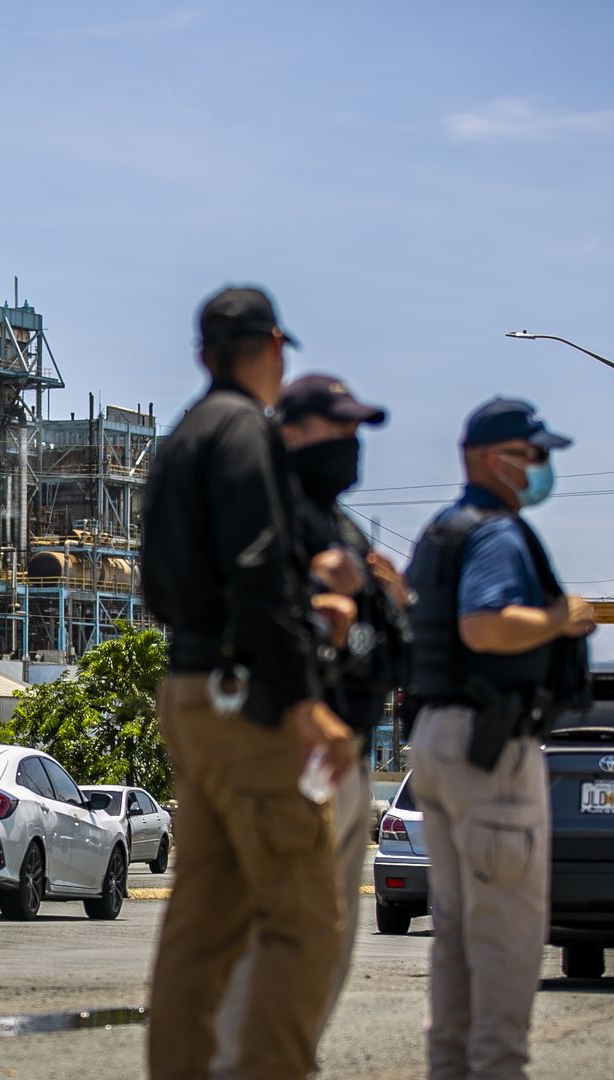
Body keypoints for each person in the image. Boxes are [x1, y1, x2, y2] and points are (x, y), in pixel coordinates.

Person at [140, 285, 355, 1080]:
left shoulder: (182, 438)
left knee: (200, 927)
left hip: (187, 691)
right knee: (304, 923)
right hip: (246, 705)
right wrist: (305, 702)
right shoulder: (246, 434)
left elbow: (158, 586)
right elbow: (260, 573)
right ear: (272, 346)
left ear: (203, 354)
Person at [211, 374, 412, 1077]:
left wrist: (378, 608)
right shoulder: (274, 519)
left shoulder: (345, 529)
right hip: (293, 746)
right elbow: (265, 632)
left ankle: (291, 1058)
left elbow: (394, 646)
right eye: (338, 428)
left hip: (348, 751)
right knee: (286, 929)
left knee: (330, 936)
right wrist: (346, 625)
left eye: (358, 430)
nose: (352, 445)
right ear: (291, 431)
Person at [402, 397, 596, 1080]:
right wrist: (560, 617)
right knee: (508, 941)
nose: (542, 468)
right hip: (489, 747)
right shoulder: (495, 533)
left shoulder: (439, 532)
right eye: (534, 454)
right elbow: (483, 627)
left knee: (456, 936)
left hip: (436, 739)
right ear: (495, 458)